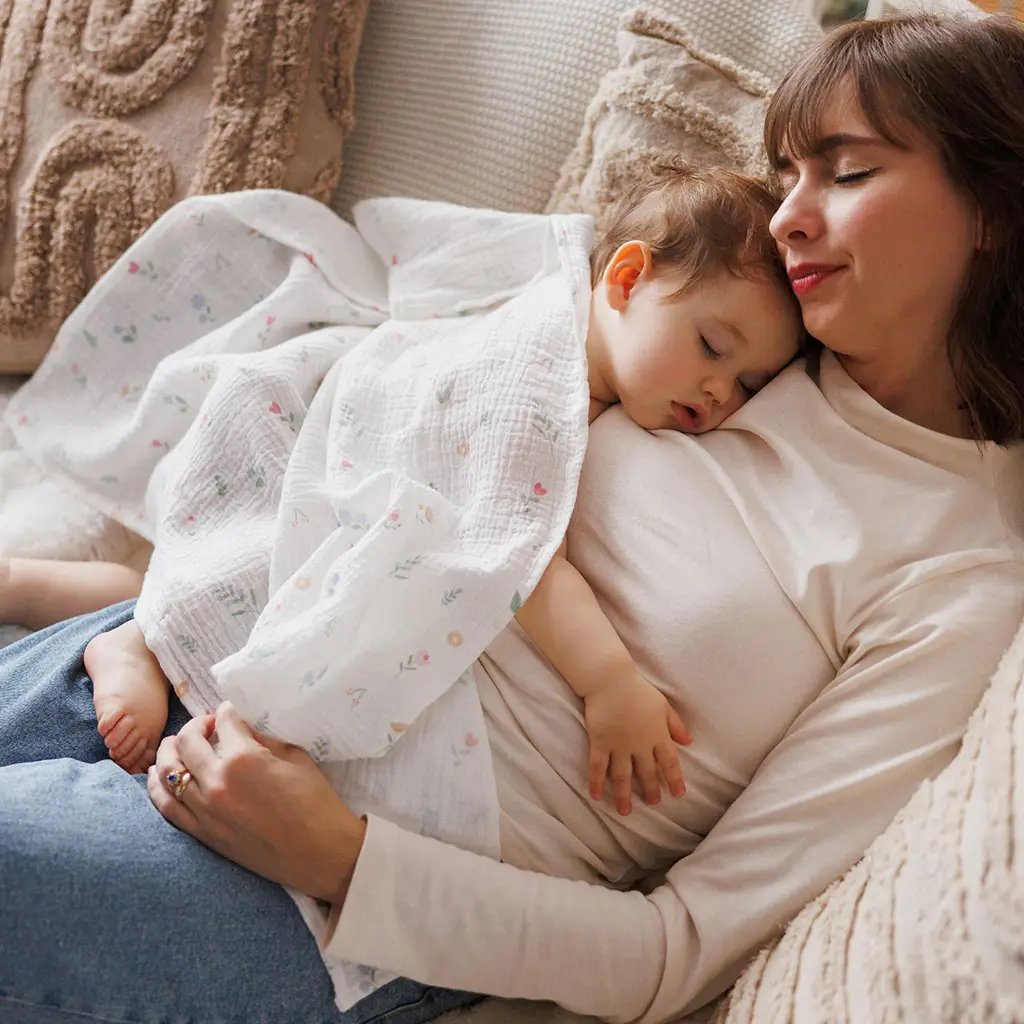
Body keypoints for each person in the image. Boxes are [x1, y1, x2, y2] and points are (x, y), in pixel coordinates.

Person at [2, 12, 1024, 1024]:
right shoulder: (737, 324)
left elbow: (678, 949)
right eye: (788, 175)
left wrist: (343, 861)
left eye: (847, 172)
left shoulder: (953, 575)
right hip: (205, 638)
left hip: (324, 874)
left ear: (994, 203)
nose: (788, 218)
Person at [0, 168, 803, 796]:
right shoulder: (538, 375)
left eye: (750, 384)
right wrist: (609, 682)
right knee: (256, 584)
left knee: (220, 575)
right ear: (625, 281)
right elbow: (520, 559)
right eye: (712, 346)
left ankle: (29, 586)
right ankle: (134, 643)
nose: (719, 393)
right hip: (302, 434)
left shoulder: (592, 369)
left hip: (321, 434)